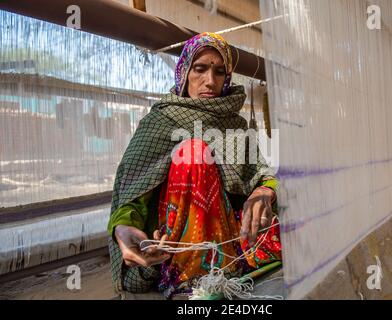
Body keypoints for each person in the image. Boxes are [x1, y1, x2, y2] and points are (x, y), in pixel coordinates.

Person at [107, 32, 282, 298]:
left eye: (220, 72)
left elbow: (262, 174)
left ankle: (226, 262)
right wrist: (122, 227)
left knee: (300, 214)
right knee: (193, 153)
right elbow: (133, 193)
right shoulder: (161, 121)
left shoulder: (234, 125)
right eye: (200, 69)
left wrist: (263, 192)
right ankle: (190, 275)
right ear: (184, 72)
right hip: (171, 243)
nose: (210, 81)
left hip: (228, 236)